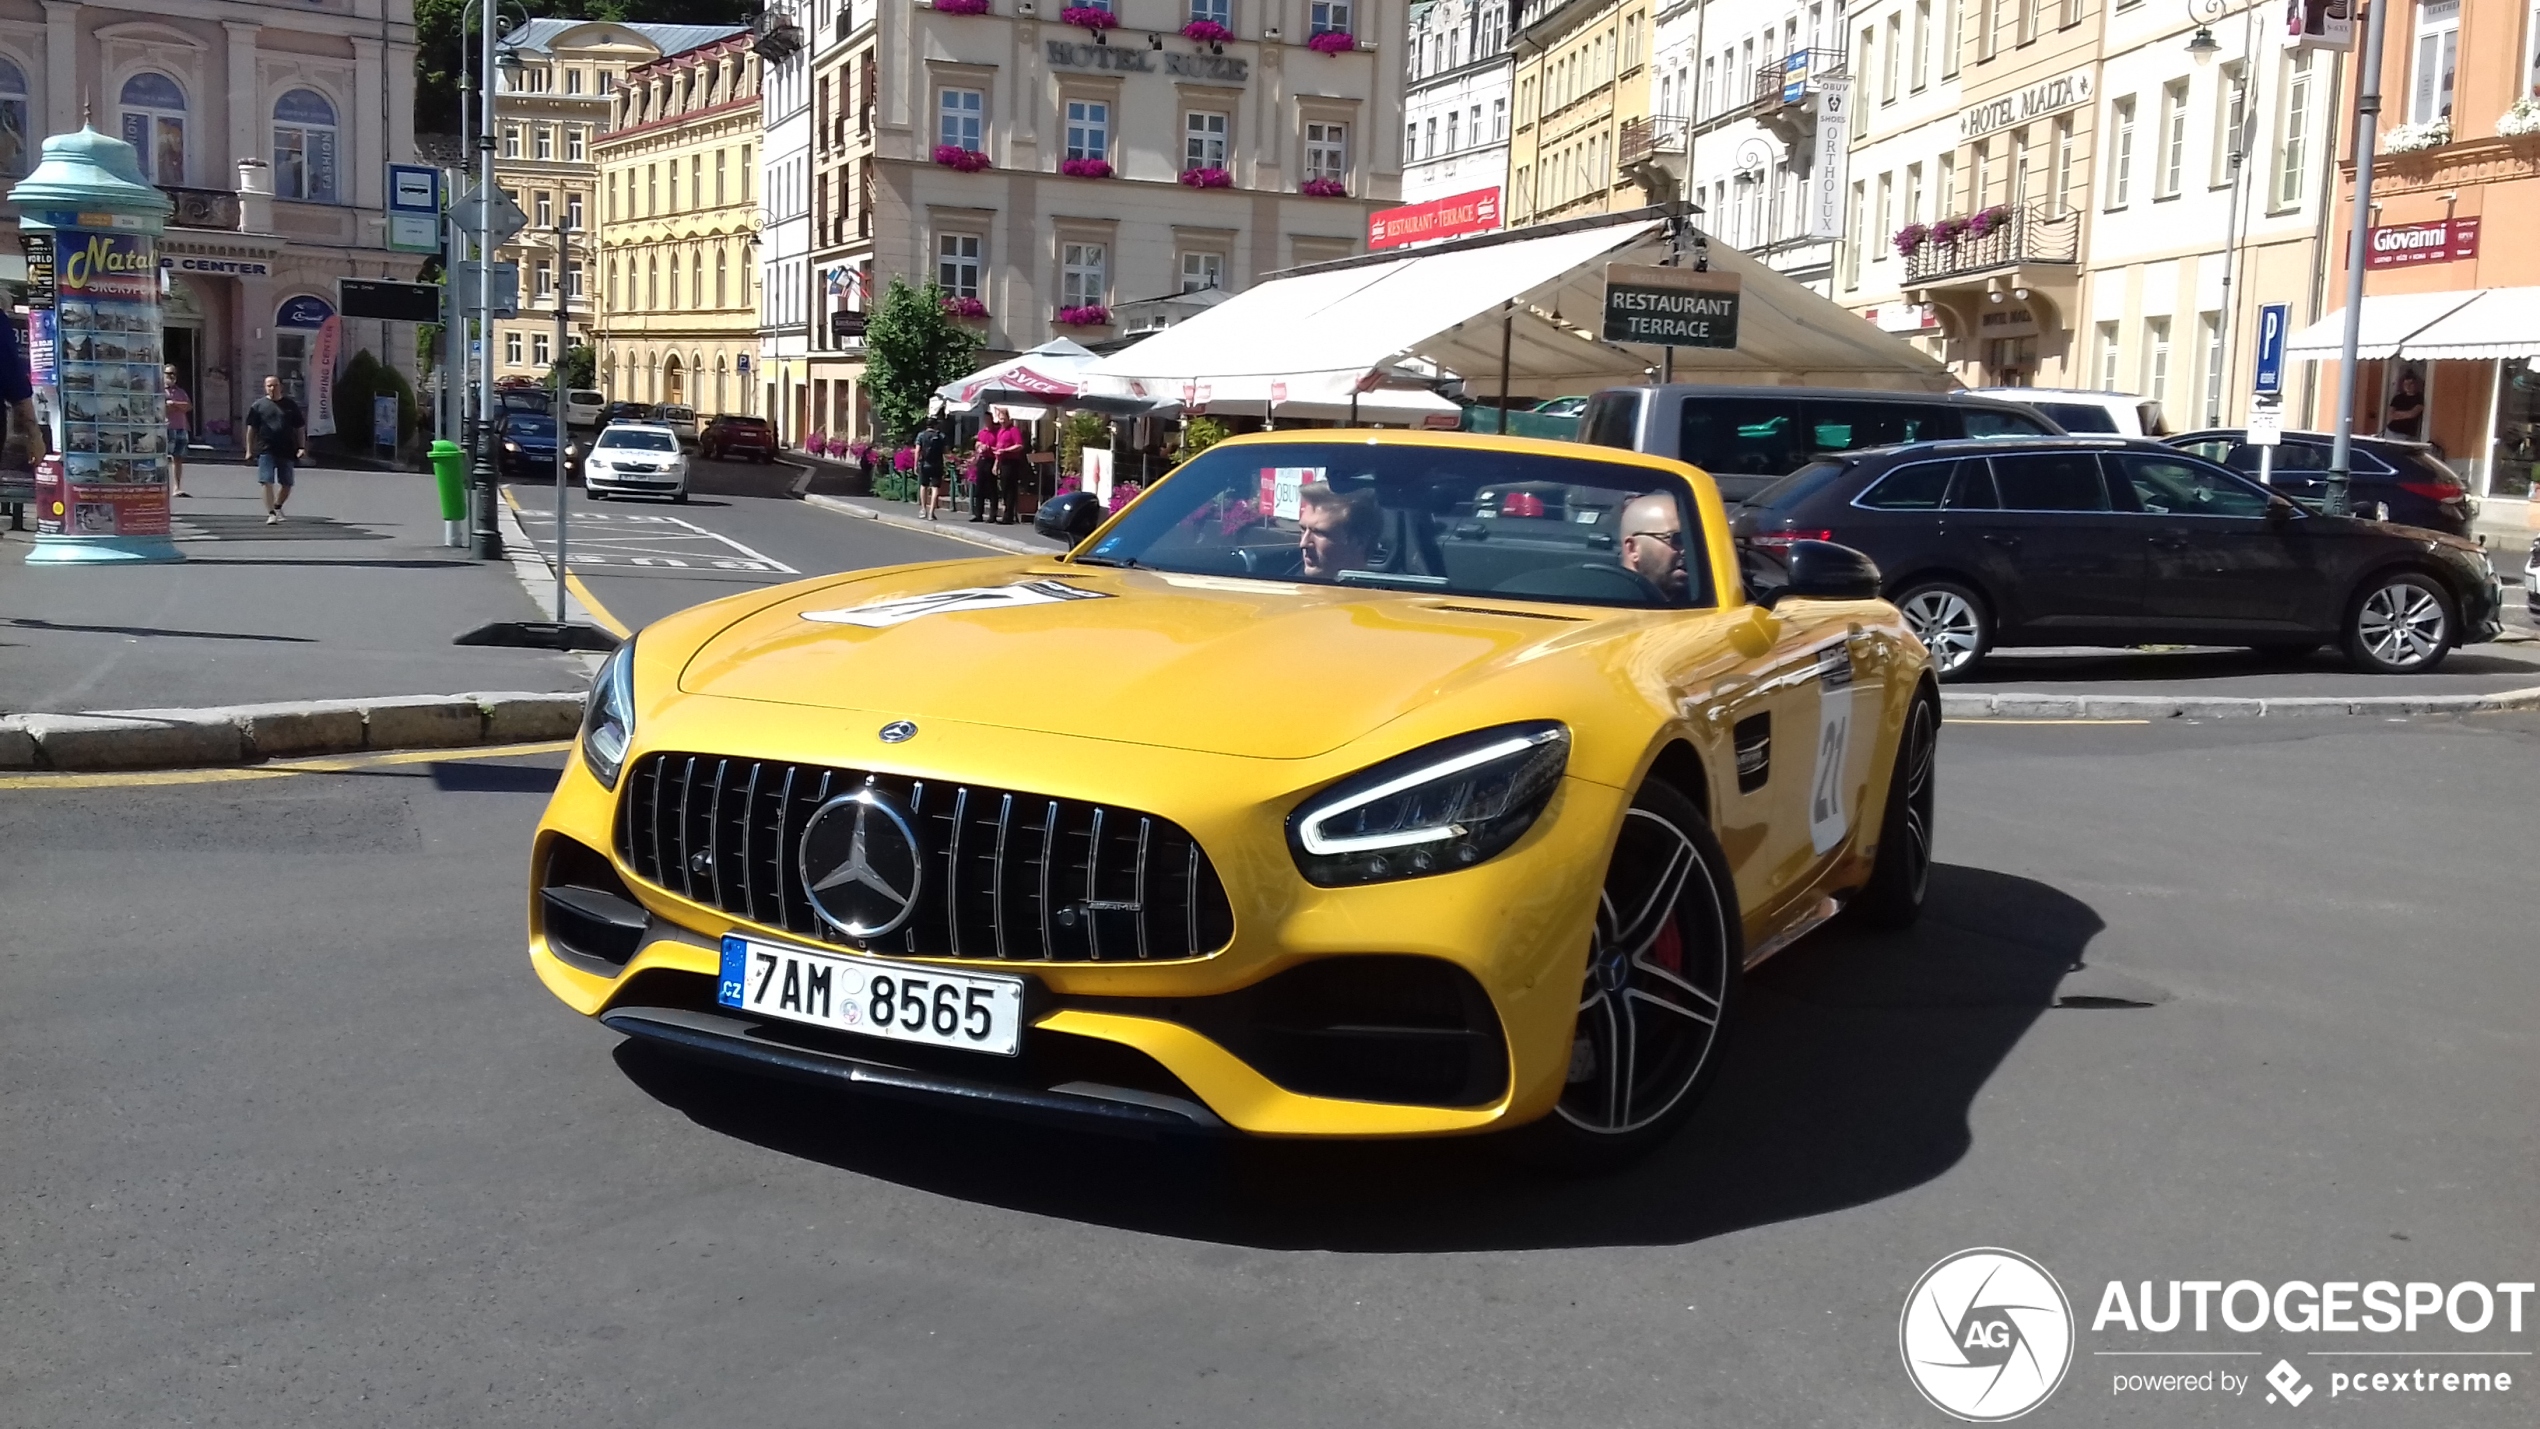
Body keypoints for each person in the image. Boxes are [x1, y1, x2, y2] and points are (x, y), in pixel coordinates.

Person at [244, 374, 307, 524]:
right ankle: (271, 513)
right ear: (265, 388)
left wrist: (301, 447)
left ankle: (277, 506)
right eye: (269, 385)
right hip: (266, 448)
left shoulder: (290, 405)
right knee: (266, 481)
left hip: (286, 448)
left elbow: (299, 428)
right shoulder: (258, 406)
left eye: (275, 385)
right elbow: (251, 429)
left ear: (281, 386)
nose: (272, 388)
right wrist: (249, 449)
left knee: (287, 483)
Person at [1297, 482, 1380, 578]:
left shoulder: (1382, 592)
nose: (1303, 543)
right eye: (1303, 529)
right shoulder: (1284, 585)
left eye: (1319, 533)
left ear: (1359, 542)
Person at [1617, 492, 1689, 601]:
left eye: (1691, 540)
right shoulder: (1603, 602)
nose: (1687, 550)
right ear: (1633, 549)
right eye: (1677, 539)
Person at [991, 411, 1032, 524]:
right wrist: (996, 464)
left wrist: (1006, 450)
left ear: (1009, 418)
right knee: (1003, 489)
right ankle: (1007, 513)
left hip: (1011, 462)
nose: (1002, 421)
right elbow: (999, 449)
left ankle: (1008, 517)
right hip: (1002, 461)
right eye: (1000, 419)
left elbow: (1019, 445)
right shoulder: (1001, 431)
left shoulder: (1014, 430)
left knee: (1010, 489)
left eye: (1003, 418)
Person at [162, 364, 192, 497]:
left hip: (181, 427)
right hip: (166, 427)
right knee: (163, 459)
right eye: (168, 373)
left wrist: (173, 404)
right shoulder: (159, 390)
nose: (172, 376)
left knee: (178, 458)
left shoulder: (180, 391)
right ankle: (163, 487)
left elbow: (188, 406)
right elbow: (162, 408)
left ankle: (177, 487)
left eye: (174, 374)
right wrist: (177, 406)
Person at [913, 415, 949, 521]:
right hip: (937, 464)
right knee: (935, 488)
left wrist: (915, 464)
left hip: (925, 464)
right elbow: (946, 451)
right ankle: (931, 512)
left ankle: (923, 509)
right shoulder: (941, 436)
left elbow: (917, 451)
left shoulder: (921, 435)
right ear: (935, 425)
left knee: (923, 486)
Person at [2384, 373, 2426, 441]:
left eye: (2411, 384)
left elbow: (2412, 414)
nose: (2408, 386)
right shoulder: (2398, 397)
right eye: (2405, 384)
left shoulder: (2419, 398)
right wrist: (2405, 414)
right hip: (2391, 431)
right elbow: (2391, 415)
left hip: (2407, 434)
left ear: (2416, 384)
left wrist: (2397, 414)